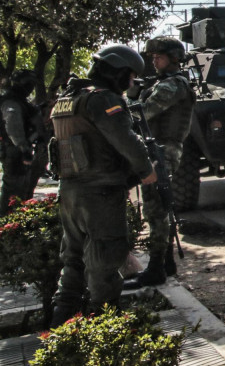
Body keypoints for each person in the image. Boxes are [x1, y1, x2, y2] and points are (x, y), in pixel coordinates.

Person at [48, 44, 157, 325]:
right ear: (116, 71)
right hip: (100, 194)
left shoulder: (67, 99)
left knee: (73, 259)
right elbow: (125, 140)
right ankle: (104, 325)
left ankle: (61, 323)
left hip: (70, 192)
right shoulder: (101, 99)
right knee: (105, 261)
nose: (130, 83)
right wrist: (146, 170)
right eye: (129, 76)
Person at [123, 36, 195, 289]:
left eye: (159, 57)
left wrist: (125, 103)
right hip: (156, 149)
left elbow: (144, 113)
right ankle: (165, 262)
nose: (154, 62)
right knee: (158, 207)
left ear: (174, 58)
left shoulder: (173, 85)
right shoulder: (163, 83)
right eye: (153, 57)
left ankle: (156, 268)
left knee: (155, 209)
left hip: (163, 150)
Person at [1, 70, 43, 216]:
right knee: (13, 192)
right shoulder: (11, 102)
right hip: (14, 151)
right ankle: (6, 223)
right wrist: (23, 148)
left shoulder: (20, 101)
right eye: (30, 84)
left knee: (20, 190)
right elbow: (13, 126)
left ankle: (14, 221)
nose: (31, 88)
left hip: (17, 149)